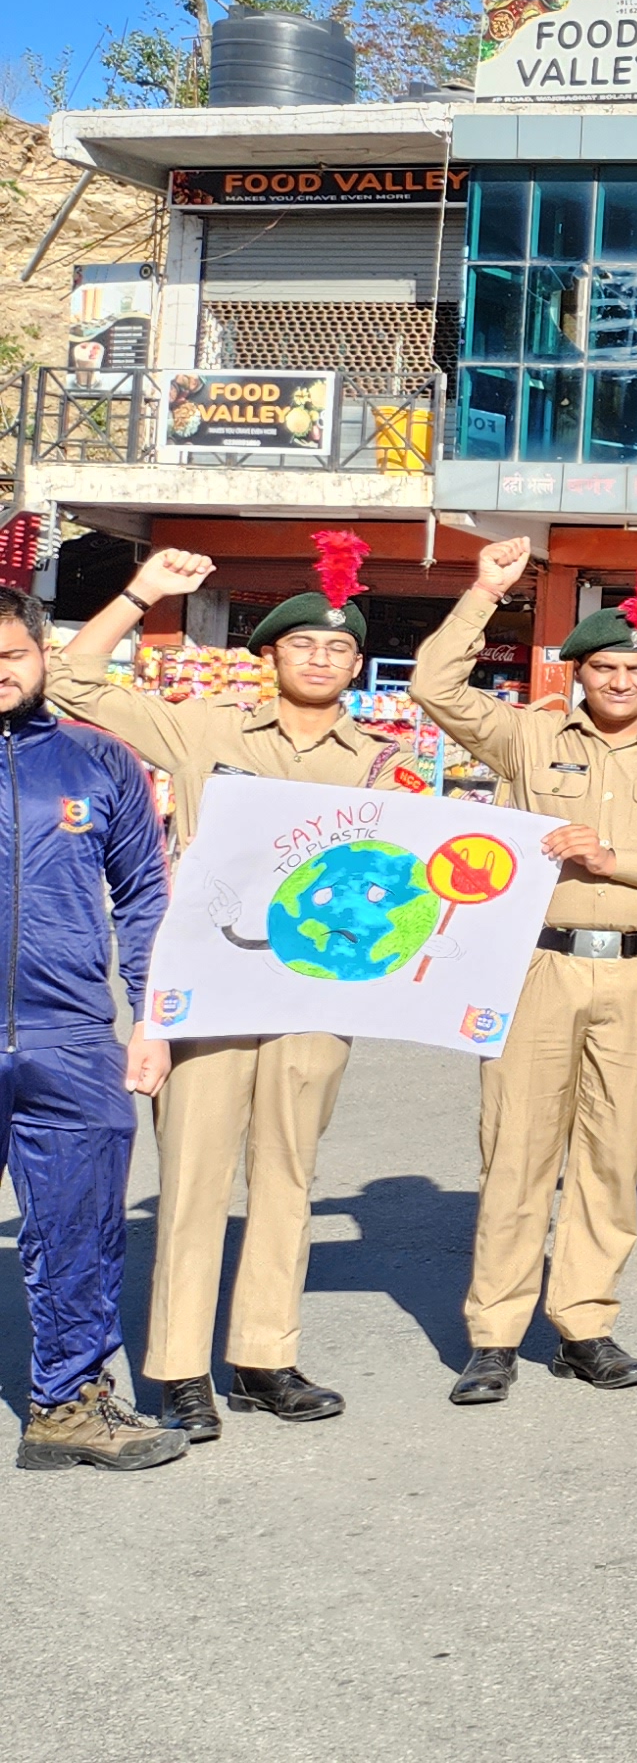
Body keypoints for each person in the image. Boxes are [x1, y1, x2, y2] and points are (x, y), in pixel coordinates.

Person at [55, 534, 399, 1440]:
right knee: (196, 1177)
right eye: (303, 645)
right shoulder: (207, 731)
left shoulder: (378, 763)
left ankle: (263, 1356)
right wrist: (140, 593)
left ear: (358, 666)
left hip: (316, 995)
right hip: (208, 990)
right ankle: (179, 1369)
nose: (322, 659)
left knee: (288, 1174)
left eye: (340, 649)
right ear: (271, 656)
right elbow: (73, 682)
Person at [417, 540, 637, 1407]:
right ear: (580, 670)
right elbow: (434, 690)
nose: (622, 682)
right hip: (536, 968)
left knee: (610, 1156)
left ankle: (585, 1324)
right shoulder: (528, 733)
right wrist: (487, 592)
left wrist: (619, 860)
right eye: (605, 667)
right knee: (517, 1150)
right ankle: (493, 1335)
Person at [1, 587, 185, 1472]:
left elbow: (146, 896)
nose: (0, 672)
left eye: (13, 655)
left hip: (71, 1034)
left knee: (78, 1230)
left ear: (43, 657)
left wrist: (151, 1018)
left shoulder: (97, 763)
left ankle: (68, 1406)